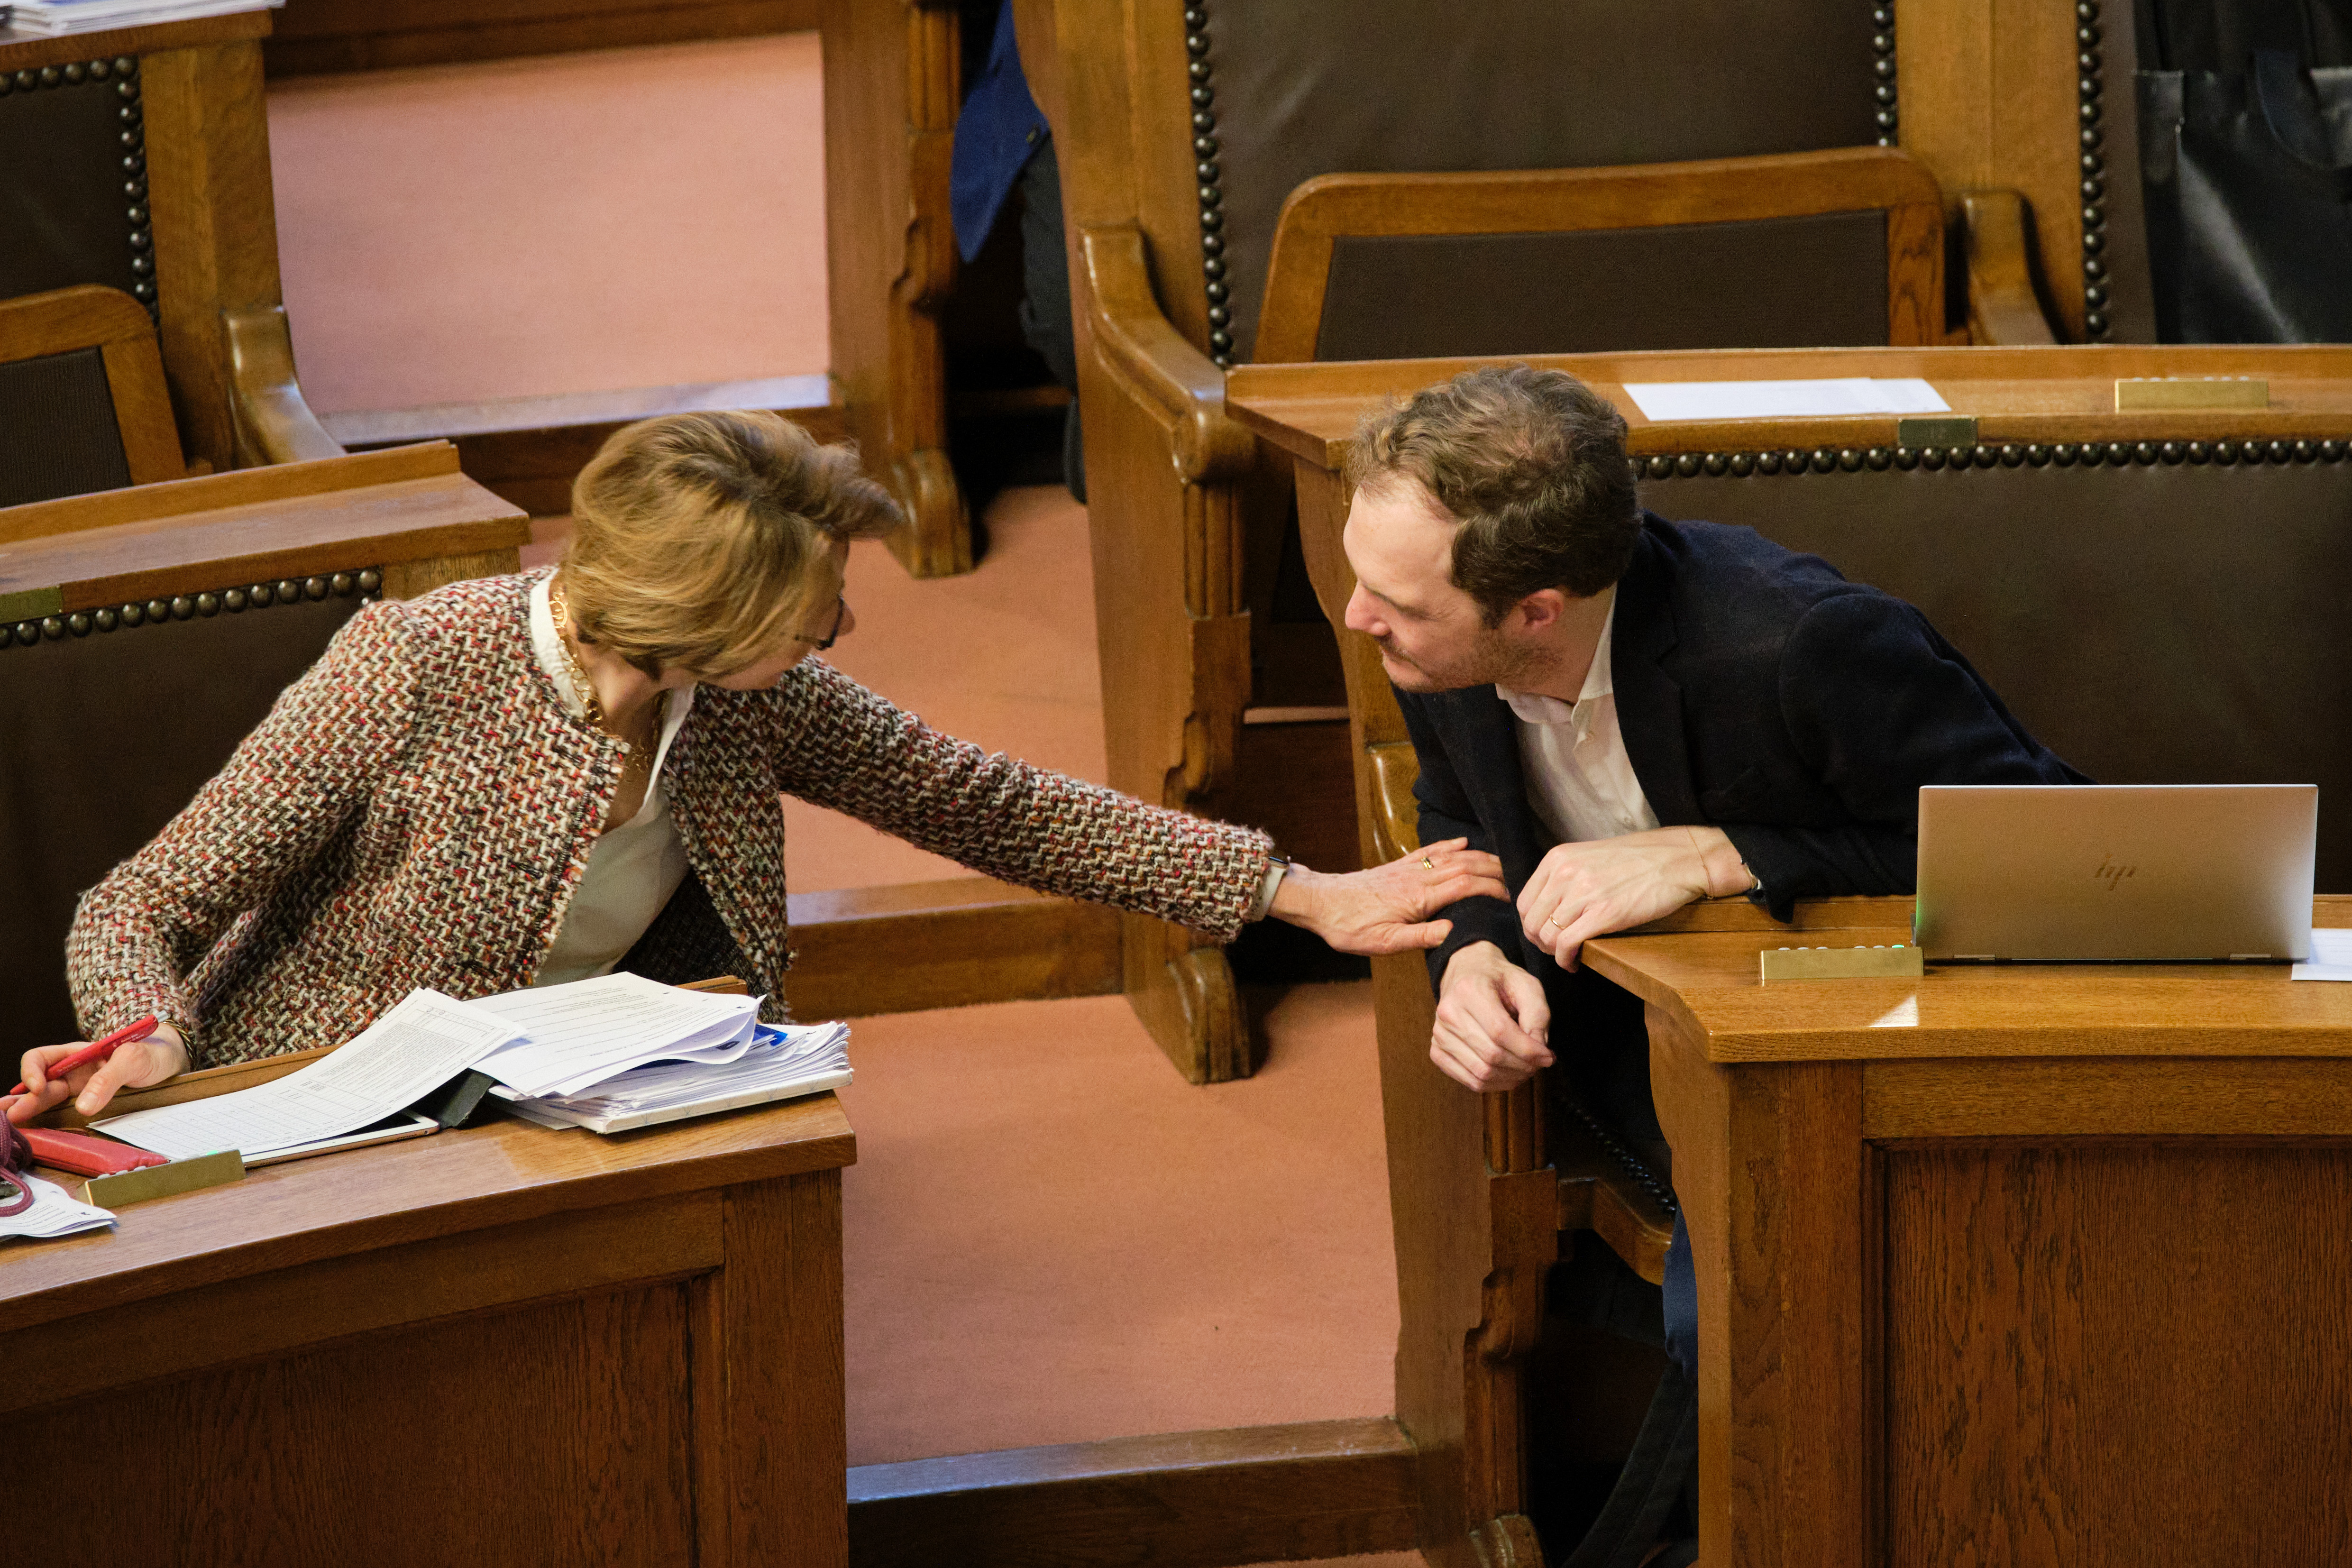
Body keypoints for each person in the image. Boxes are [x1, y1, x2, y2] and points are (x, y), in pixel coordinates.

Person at [9, 410, 1503, 1126]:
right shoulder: (415, 663)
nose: (837, 633)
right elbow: (137, 902)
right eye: (812, 615)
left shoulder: (740, 699)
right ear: (699, 619)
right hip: (317, 1105)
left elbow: (981, 799)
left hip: (570, 1105)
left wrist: (1296, 892)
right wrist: (145, 1037)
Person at [1338, 363, 2081, 1563]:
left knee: (1751, 1305)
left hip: (1852, 1038)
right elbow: (1457, 812)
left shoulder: (1794, 643)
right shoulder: (1440, 647)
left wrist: (1726, 852)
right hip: (1621, 1042)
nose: (1357, 618)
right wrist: (1472, 955)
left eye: (1393, 603)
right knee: (1730, 1303)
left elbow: (2047, 842)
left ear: (1537, 610)